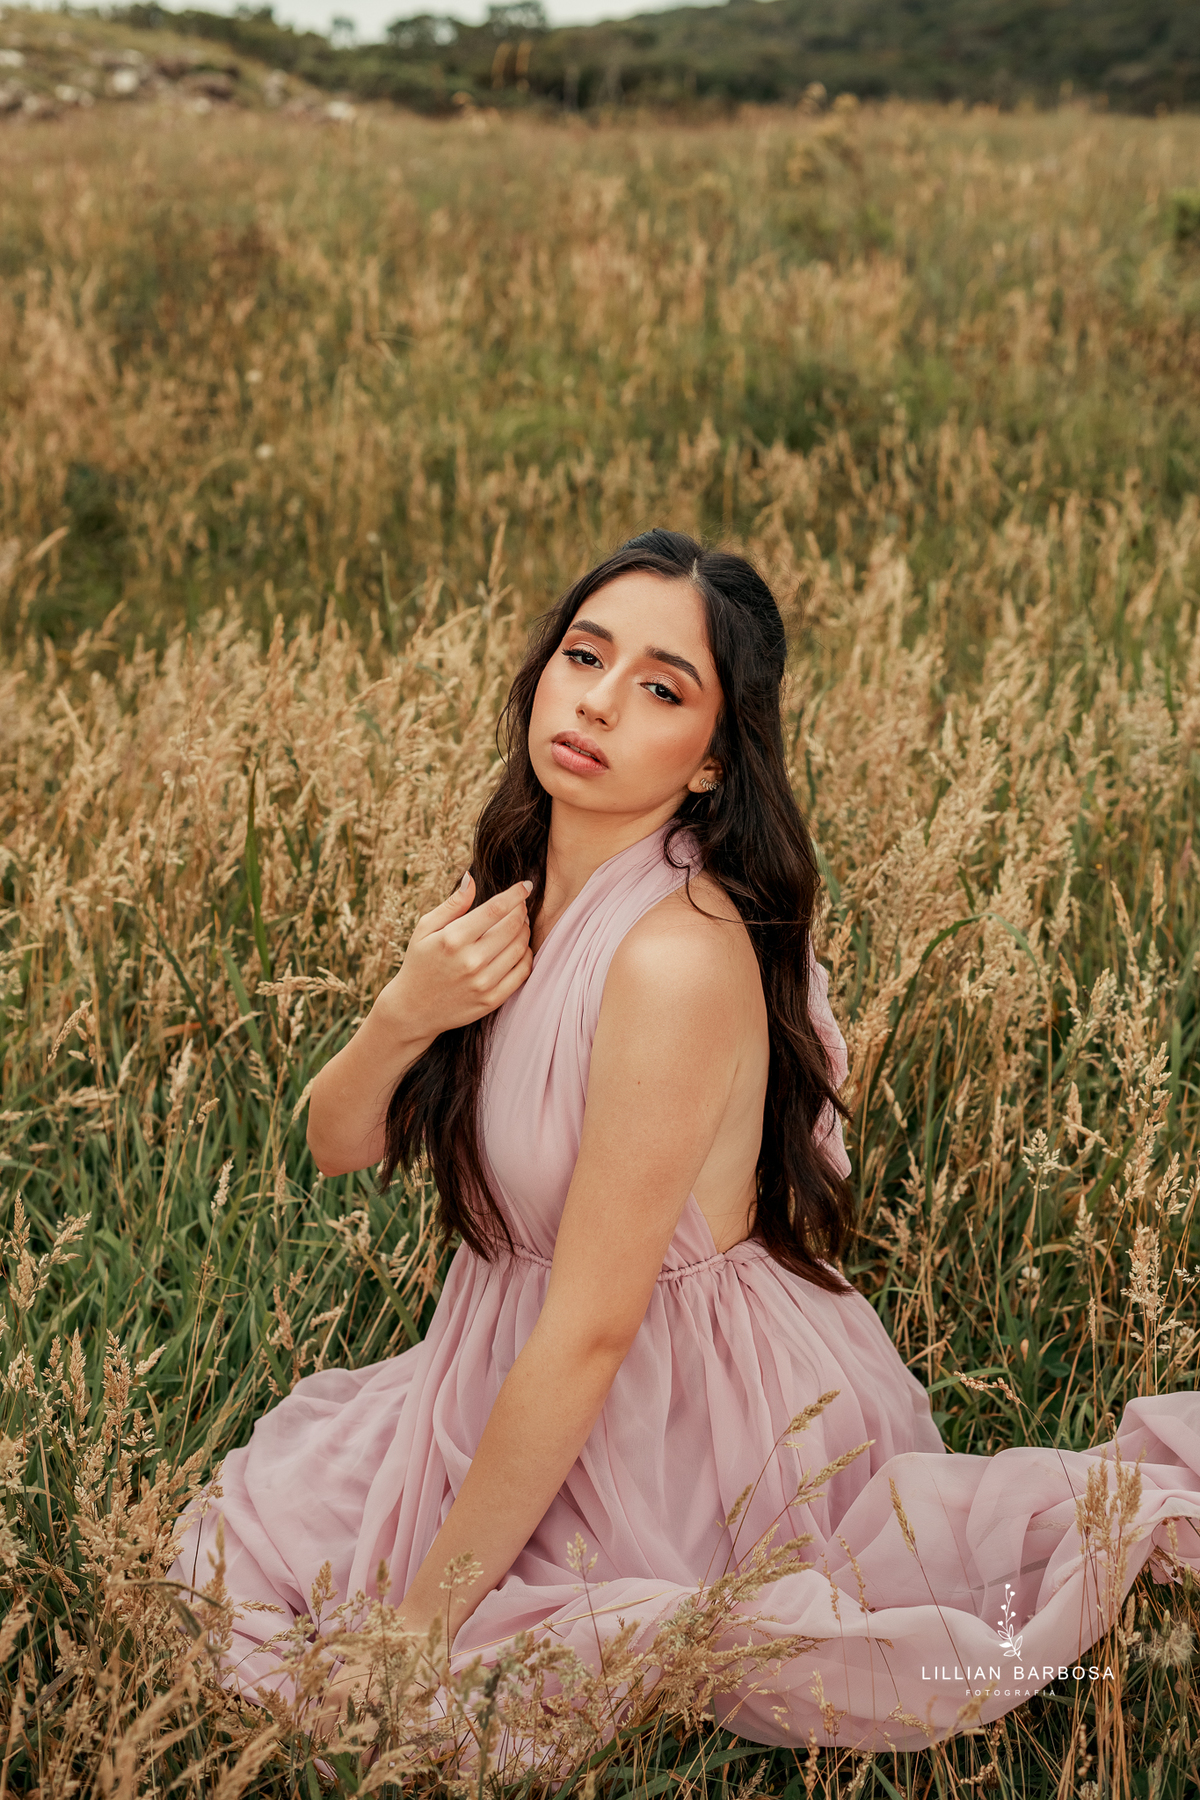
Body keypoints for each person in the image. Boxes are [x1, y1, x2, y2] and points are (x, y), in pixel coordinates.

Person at [171, 529, 1200, 1753]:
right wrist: (408, 1006)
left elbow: (600, 1325)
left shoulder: (670, 957)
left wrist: (420, 1630)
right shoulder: (518, 890)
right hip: (516, 1349)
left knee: (426, 1669)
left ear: (712, 760)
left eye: (660, 687)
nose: (598, 700)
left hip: (676, 1413)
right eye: (583, 655)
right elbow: (337, 1141)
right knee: (261, 1564)